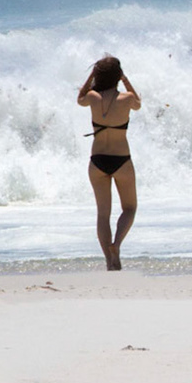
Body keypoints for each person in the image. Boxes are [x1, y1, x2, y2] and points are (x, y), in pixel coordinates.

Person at [77, 55, 141, 270]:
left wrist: (90, 77)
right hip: (121, 160)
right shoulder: (126, 99)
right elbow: (138, 103)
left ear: (99, 75)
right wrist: (125, 80)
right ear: (117, 76)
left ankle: (109, 261)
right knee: (130, 208)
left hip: (97, 161)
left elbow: (80, 98)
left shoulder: (93, 97)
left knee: (103, 214)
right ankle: (117, 244)